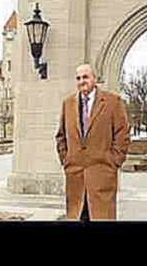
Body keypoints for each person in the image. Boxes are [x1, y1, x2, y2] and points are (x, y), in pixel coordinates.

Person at [55, 64, 131, 222]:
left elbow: (122, 135)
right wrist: (66, 160)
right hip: (75, 177)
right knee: (78, 217)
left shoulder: (113, 102)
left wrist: (113, 162)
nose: (82, 81)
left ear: (95, 79)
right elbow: (61, 136)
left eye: (85, 77)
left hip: (102, 175)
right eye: (78, 78)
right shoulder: (68, 104)